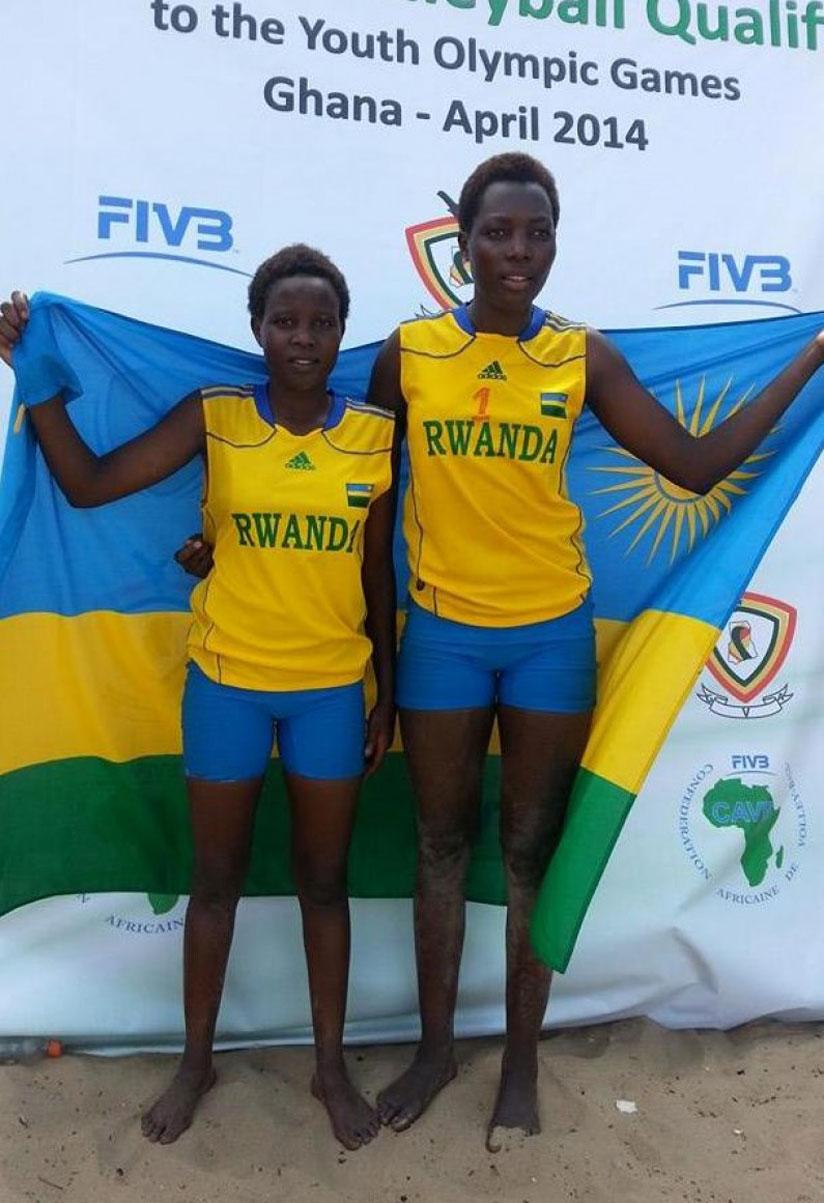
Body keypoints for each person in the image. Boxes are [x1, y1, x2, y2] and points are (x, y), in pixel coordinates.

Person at [364, 152, 824, 1150]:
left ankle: (519, 1061)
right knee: (439, 845)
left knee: (529, 852)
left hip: (548, 641)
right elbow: (350, 488)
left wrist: (813, 353)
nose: (516, 252)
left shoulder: (580, 357)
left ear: (553, 241)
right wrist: (379, 661)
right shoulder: (404, 357)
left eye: (535, 232)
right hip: (439, 633)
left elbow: (696, 468)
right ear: (463, 243)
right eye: (497, 232)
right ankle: (437, 1050)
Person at [0, 245, 398, 1151]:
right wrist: (36, 372)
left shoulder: (376, 434)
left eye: (321, 322)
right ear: (255, 330)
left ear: (342, 332)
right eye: (284, 321)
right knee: (213, 882)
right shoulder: (216, 416)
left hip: (331, 691)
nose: (302, 338)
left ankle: (329, 1064)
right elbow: (89, 483)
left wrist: (387, 694)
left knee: (324, 884)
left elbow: (380, 576)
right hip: (227, 683)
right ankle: (195, 1060)